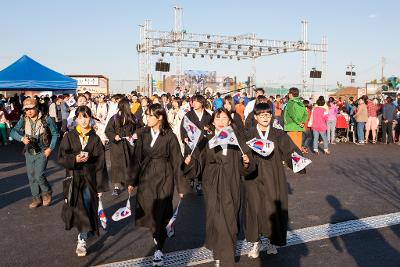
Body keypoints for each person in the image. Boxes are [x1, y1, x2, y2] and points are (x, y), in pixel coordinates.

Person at [184, 108, 255, 266]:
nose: (221, 121)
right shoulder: (206, 139)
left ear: (230, 121)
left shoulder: (237, 140)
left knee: (229, 219)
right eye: (218, 118)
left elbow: (248, 164)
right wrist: (189, 163)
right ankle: (219, 252)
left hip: (232, 183)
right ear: (213, 121)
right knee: (215, 219)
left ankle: (226, 259)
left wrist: (246, 162)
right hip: (212, 184)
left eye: (224, 118)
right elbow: (199, 163)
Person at [127, 103, 188, 267]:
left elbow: (177, 161)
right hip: (146, 177)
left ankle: (159, 249)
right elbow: (136, 158)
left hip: (164, 176)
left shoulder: (169, 136)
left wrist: (181, 186)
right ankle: (159, 231)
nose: (147, 118)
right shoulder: (143, 133)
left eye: (150, 115)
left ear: (159, 117)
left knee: (161, 212)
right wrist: (132, 180)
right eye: (146, 115)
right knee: (148, 210)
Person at [244, 103, 300, 258]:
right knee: (254, 209)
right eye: (262, 115)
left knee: (272, 208)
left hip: (273, 176)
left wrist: (298, 161)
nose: (265, 118)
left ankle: (271, 241)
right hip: (253, 176)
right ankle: (255, 242)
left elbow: (289, 151)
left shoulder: (278, 134)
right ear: (255, 117)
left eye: (268, 115)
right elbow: (241, 153)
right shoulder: (248, 133)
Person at [58, 106, 109, 257]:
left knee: (86, 207)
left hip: (89, 179)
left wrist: (100, 186)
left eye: (86, 117)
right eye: (80, 117)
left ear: (91, 118)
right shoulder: (69, 136)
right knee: (76, 208)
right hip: (73, 178)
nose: (83, 120)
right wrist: (74, 159)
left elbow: (101, 164)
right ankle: (83, 234)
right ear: (76, 119)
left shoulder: (95, 138)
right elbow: (61, 157)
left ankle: (82, 240)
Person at [10, 98, 58, 208]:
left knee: (39, 175)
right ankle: (36, 198)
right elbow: (13, 132)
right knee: (31, 177)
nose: (29, 111)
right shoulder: (23, 119)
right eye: (26, 109)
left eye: (31, 108)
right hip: (29, 152)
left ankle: (47, 193)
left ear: (36, 107)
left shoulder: (46, 119)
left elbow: (55, 134)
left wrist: (50, 149)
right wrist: (21, 138)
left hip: (42, 151)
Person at [105, 98, 139, 196]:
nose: (131, 106)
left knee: (130, 163)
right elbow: (108, 130)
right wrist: (114, 136)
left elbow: (139, 128)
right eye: (129, 105)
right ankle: (116, 186)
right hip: (117, 146)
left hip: (129, 144)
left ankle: (130, 182)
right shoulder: (114, 118)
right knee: (116, 165)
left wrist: (135, 134)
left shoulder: (133, 117)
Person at [180, 94, 212, 195]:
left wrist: (208, 130)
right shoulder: (188, 115)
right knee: (190, 161)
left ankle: (200, 183)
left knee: (202, 162)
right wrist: (184, 136)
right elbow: (183, 127)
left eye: (196, 101)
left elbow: (212, 128)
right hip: (191, 143)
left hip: (203, 143)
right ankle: (190, 180)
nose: (193, 103)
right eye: (192, 101)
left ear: (202, 102)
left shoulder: (208, 115)